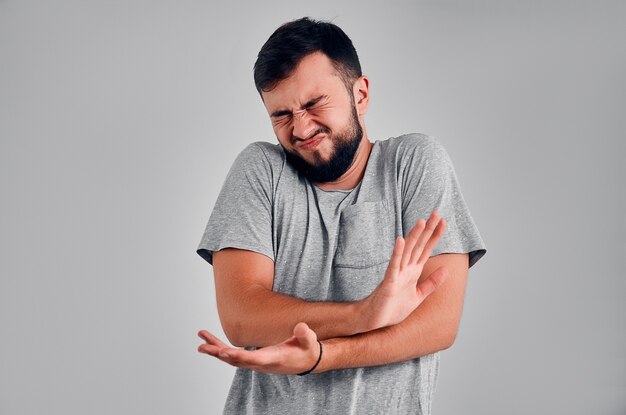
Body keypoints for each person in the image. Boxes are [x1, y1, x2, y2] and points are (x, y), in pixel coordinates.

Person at [195, 16, 486, 415]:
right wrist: (362, 314)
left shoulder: (413, 164)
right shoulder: (260, 170)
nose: (300, 128)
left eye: (314, 103)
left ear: (360, 94)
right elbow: (242, 316)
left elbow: (439, 324)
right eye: (281, 115)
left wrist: (322, 357)